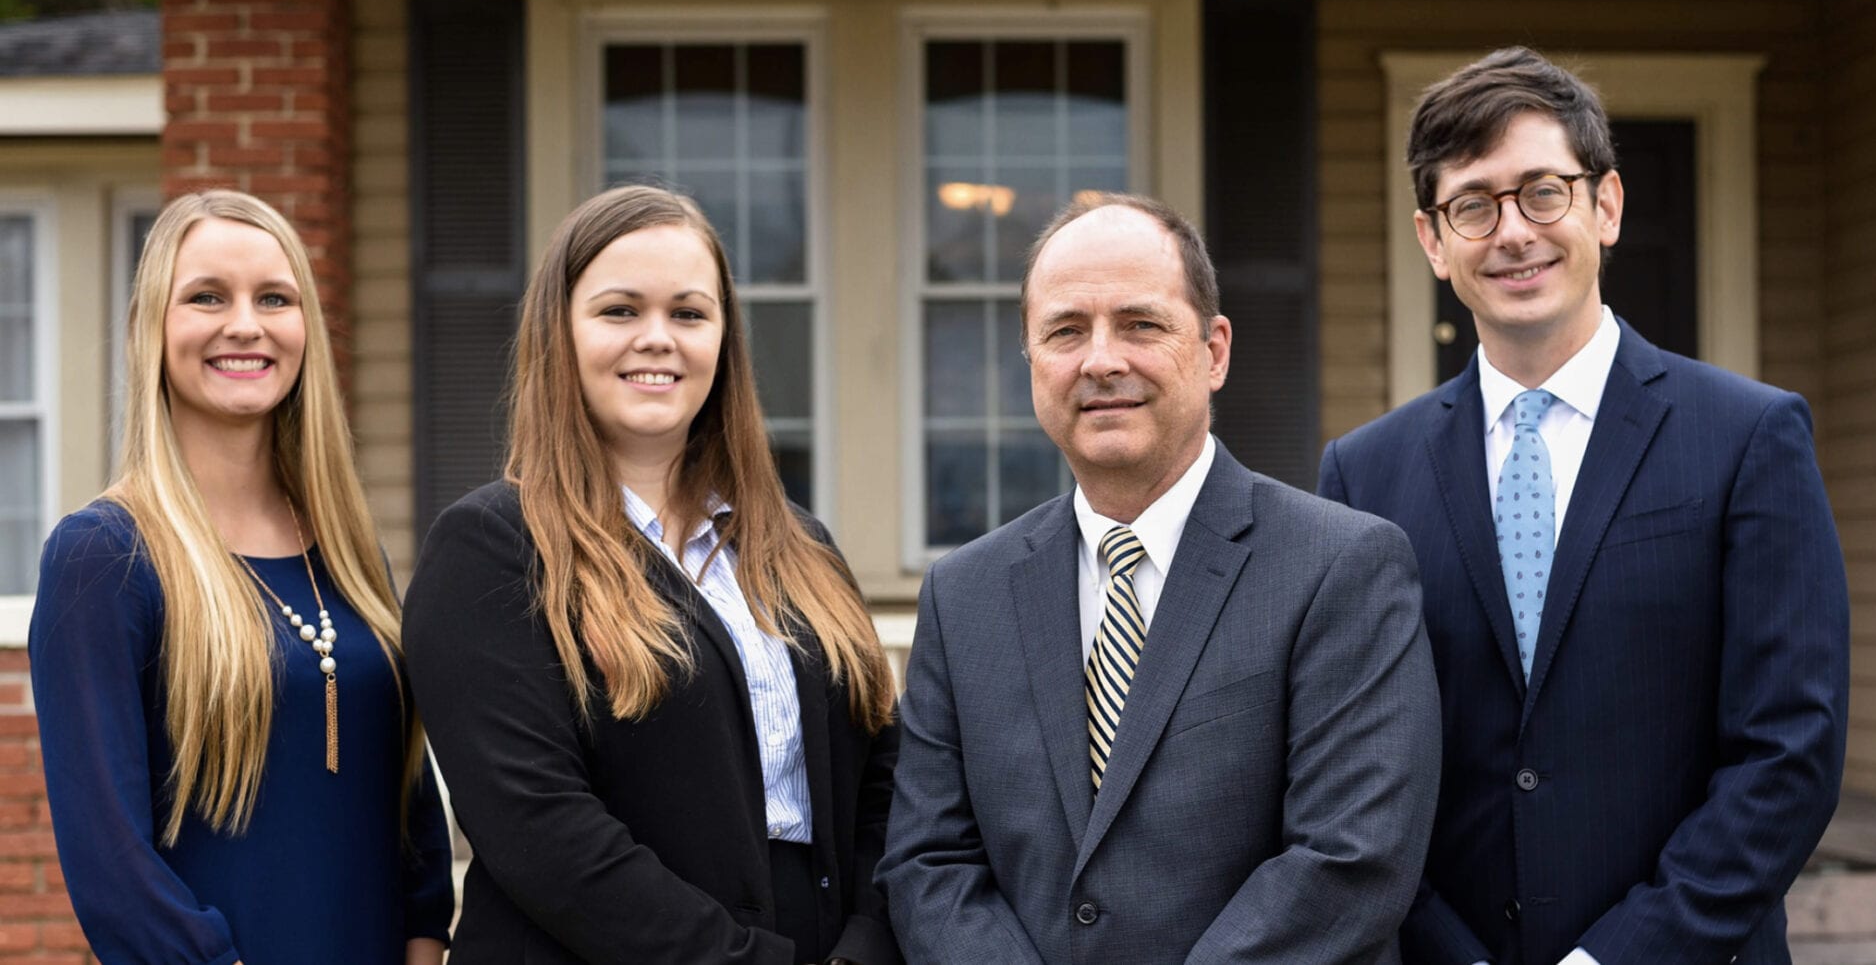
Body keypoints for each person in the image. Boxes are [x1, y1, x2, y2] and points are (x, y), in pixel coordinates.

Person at [1318, 47, 1848, 965]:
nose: (1512, 231)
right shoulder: (1365, 475)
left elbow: (1788, 752)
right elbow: (1356, 772)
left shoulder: (1749, 437)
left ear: (1605, 206)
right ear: (1433, 241)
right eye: (1474, 205)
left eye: (1543, 192)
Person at [880, 192, 1442, 963]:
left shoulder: (1341, 567)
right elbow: (928, 862)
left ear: (1214, 350)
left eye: (1141, 324)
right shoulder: (963, 593)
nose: (1101, 359)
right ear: (1032, 361)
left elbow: (1352, 859)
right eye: (1066, 330)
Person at [404, 184, 901, 965]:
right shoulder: (490, 549)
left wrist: (865, 947)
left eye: (689, 313)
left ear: (723, 342)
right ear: (559, 335)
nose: (658, 338)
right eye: (620, 311)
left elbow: (885, 778)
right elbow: (541, 829)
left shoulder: (800, 547)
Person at [29, 189, 453, 965]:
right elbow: (111, 867)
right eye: (207, 297)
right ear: (151, 326)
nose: (246, 324)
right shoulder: (103, 559)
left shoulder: (351, 554)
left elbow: (409, 804)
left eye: (274, 298)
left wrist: (425, 944)